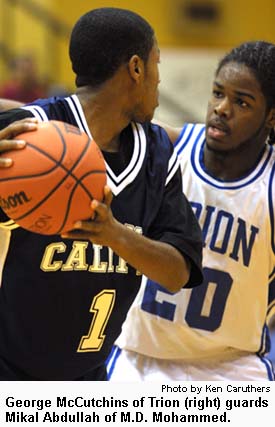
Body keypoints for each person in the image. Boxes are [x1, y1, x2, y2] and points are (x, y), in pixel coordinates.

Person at [0, 7, 202, 380]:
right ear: (137, 68)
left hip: (91, 380)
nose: (159, 82)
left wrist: (115, 235)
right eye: (157, 65)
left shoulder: (157, 153)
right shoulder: (27, 134)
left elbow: (179, 272)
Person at [107, 40, 275, 381]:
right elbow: (71, 121)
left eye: (241, 102)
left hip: (233, 369)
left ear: (271, 116)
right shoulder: (169, 150)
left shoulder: (268, 188)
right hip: (137, 360)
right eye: (217, 93)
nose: (221, 109)